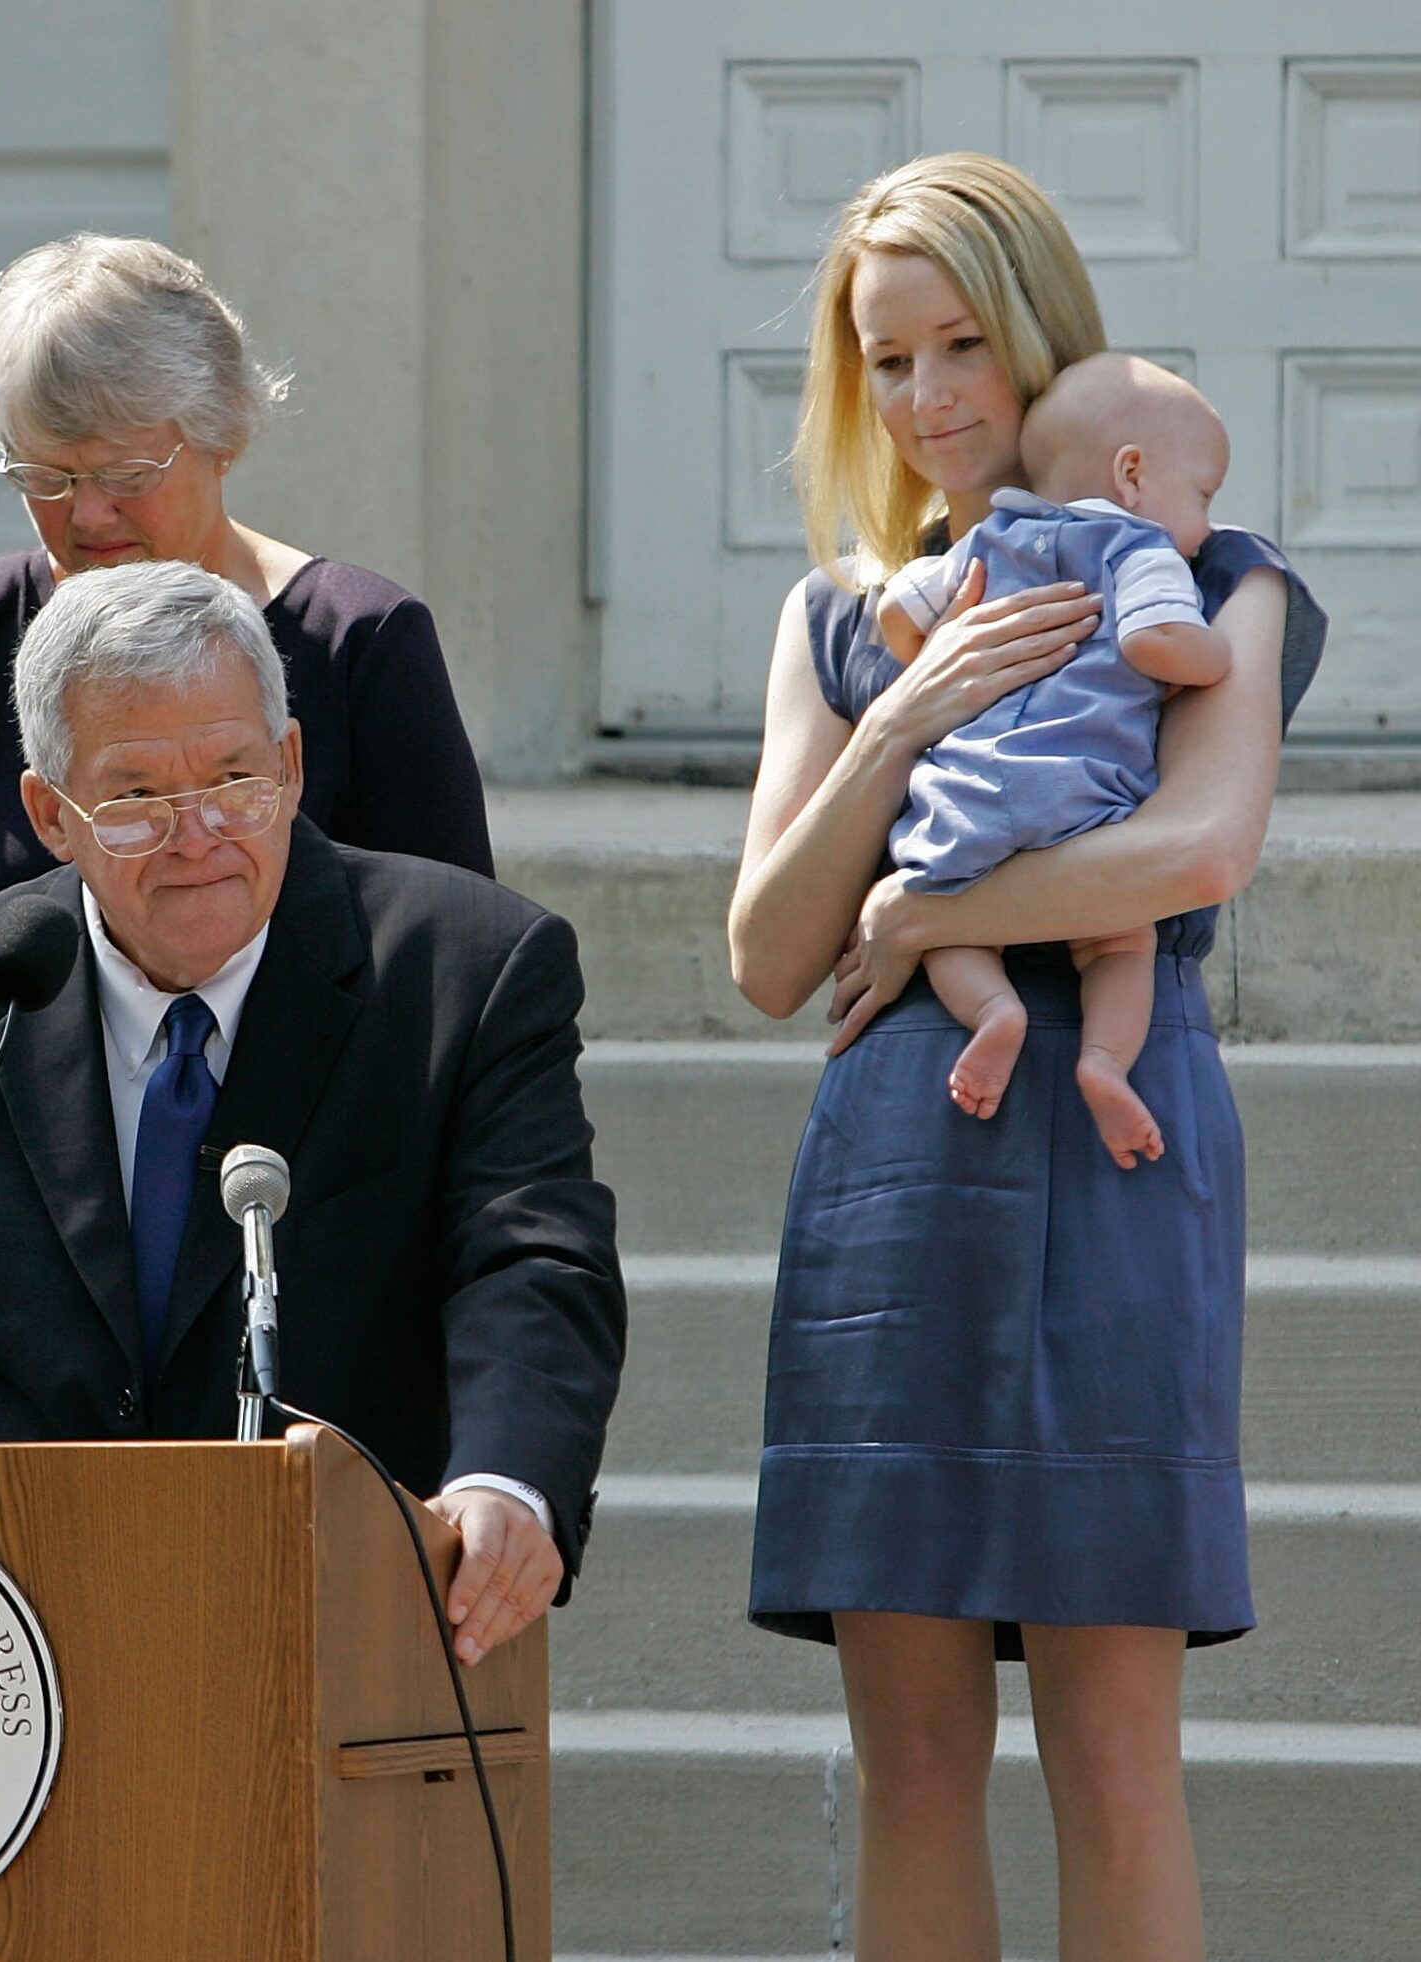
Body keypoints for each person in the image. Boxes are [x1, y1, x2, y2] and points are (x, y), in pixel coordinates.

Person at [730, 152, 1322, 1962]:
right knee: (909, 1755)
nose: (927, 399)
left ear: (1039, 331)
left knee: (1113, 1755)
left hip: (1112, 1137)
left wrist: (908, 917)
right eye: (886, 361)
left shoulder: (1213, 574)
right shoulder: (844, 616)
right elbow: (766, 950)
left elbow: (1197, 853)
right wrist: (904, 711)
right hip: (897, 1162)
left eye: (961, 344)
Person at [0, 559, 625, 1668]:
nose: (198, 834)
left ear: (294, 764)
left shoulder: (464, 971)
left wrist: (506, 1479)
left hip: (346, 1636)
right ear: (48, 813)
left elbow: (531, 1263)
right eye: (134, 798)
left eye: (235, 778)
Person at [0, 232, 492, 950]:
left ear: (222, 434)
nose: (86, 514)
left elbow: (446, 948)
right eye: (44, 479)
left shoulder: (358, 640)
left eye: (127, 473)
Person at [878, 353, 1236, 1168]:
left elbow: (900, 616)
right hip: (1078, 804)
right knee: (1121, 944)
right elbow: (1155, 641)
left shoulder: (987, 537)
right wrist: (1216, 656)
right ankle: (1103, 1062)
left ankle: (994, 1015)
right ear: (1133, 474)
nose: (1208, 527)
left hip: (964, 794)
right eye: (1204, 495)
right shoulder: (1138, 547)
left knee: (947, 931)